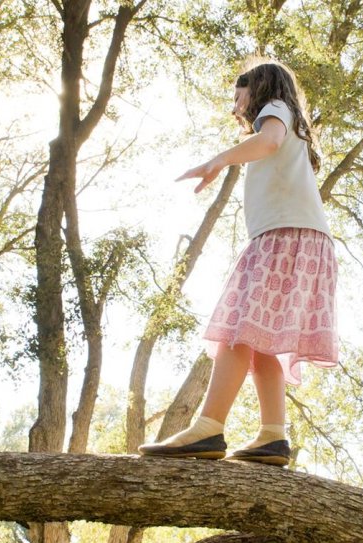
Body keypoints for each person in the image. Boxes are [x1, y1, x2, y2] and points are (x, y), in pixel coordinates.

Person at [138, 61, 337, 466]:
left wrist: (218, 160)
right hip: (299, 239)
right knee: (260, 339)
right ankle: (273, 436)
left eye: (237, 97)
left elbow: (268, 142)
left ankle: (209, 427)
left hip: (286, 238)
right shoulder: (286, 121)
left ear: (258, 88)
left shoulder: (276, 110)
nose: (234, 108)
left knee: (237, 328)